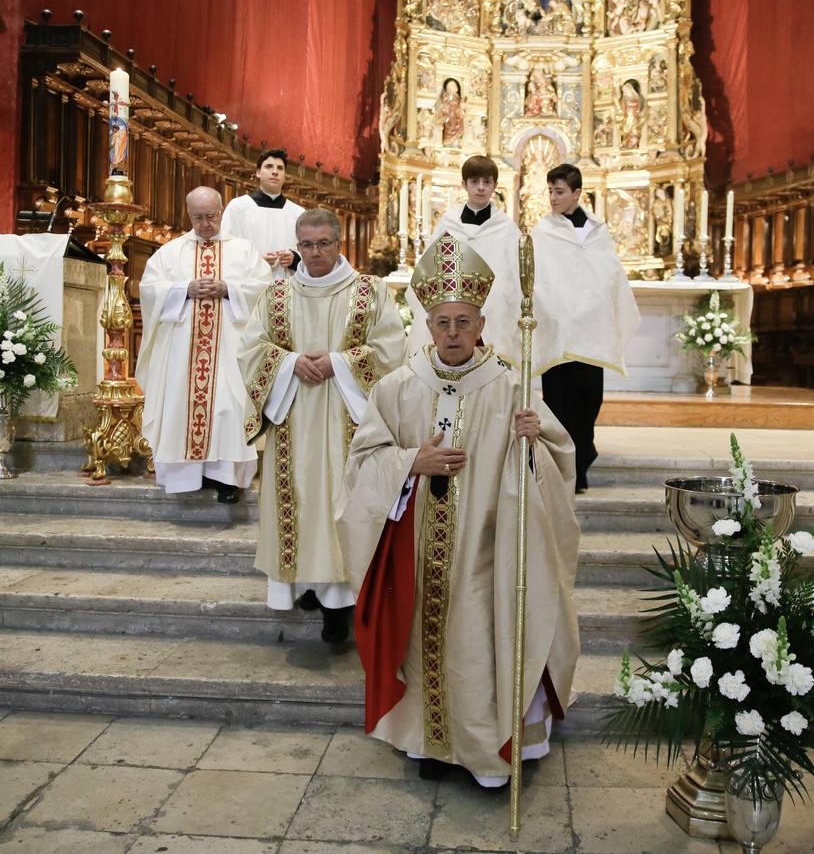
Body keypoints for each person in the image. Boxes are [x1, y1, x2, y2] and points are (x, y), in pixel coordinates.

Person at [336, 231, 580, 787]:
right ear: (427, 325)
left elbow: (558, 464)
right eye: (442, 322)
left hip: (490, 551)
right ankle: (428, 742)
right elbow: (361, 464)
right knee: (423, 638)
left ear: (481, 324)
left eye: (463, 322)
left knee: (478, 643)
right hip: (416, 551)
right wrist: (409, 463)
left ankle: (485, 753)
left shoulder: (512, 388)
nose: (452, 333)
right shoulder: (397, 388)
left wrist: (532, 440)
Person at [238, 209, 405, 645]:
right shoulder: (276, 295)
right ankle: (307, 587)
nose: (315, 253)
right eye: (307, 245)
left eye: (323, 244)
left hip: (350, 421)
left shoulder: (368, 292)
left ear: (338, 244)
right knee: (301, 502)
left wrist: (340, 363)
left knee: (339, 505)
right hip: (293, 418)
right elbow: (251, 348)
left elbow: (391, 348)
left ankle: (340, 606)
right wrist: (290, 363)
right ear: (298, 246)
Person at [137, 187, 272, 503]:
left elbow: (265, 288)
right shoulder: (170, 252)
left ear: (221, 212)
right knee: (182, 409)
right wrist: (184, 289)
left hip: (229, 350)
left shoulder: (243, 251)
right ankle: (185, 479)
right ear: (189, 214)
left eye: (211, 216)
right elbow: (149, 288)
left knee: (228, 408)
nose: (205, 223)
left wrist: (229, 289)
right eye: (198, 217)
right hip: (183, 353)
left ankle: (227, 481)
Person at [530, 163, 639, 492]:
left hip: (591, 332)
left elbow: (610, 273)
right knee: (558, 403)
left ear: (577, 193)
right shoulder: (543, 231)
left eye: (560, 191)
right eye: (550, 191)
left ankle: (582, 459)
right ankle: (565, 471)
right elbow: (539, 276)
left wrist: (598, 302)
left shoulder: (597, 231)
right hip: (559, 333)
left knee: (589, 400)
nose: (553, 197)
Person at [405, 155, 523, 364]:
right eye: (474, 181)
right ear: (464, 184)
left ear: (495, 186)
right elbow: (430, 266)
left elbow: (516, 274)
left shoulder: (506, 228)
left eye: (487, 182)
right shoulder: (449, 223)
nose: (481, 187)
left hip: (495, 310)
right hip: (451, 305)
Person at [222, 148, 305, 280]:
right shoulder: (238, 207)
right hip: (249, 284)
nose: (275, 172)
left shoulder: (298, 213)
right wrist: (256, 260)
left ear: (285, 176)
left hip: (287, 286)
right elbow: (226, 249)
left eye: (280, 168)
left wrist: (294, 258)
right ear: (258, 173)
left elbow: (308, 252)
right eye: (269, 166)